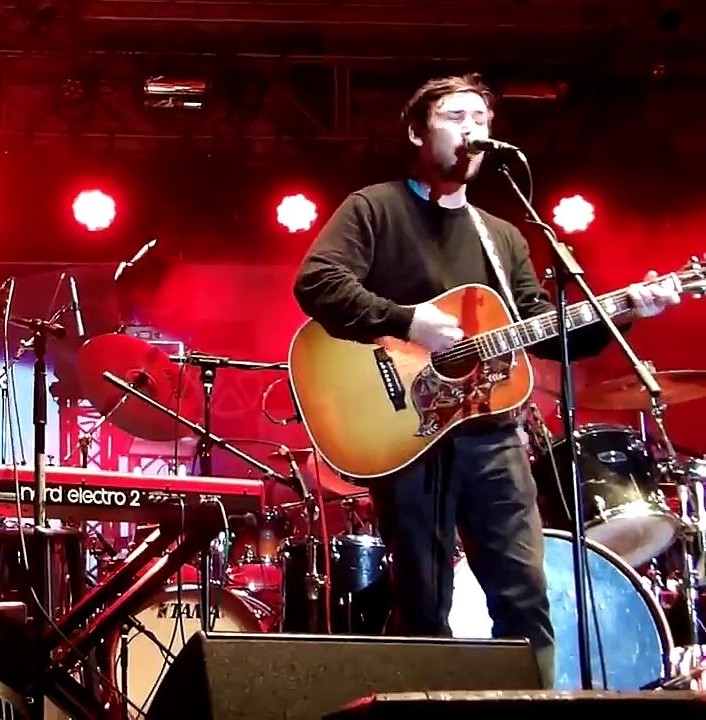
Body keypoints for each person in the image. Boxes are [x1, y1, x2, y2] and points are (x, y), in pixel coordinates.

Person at [291, 73, 680, 685]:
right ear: (419, 131)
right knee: (423, 602)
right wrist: (408, 321)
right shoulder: (374, 208)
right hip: (406, 432)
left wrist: (628, 306)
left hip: (492, 436)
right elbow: (318, 283)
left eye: (483, 119)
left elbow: (546, 329)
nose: (474, 130)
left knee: (525, 598)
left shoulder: (502, 236)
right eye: (457, 116)